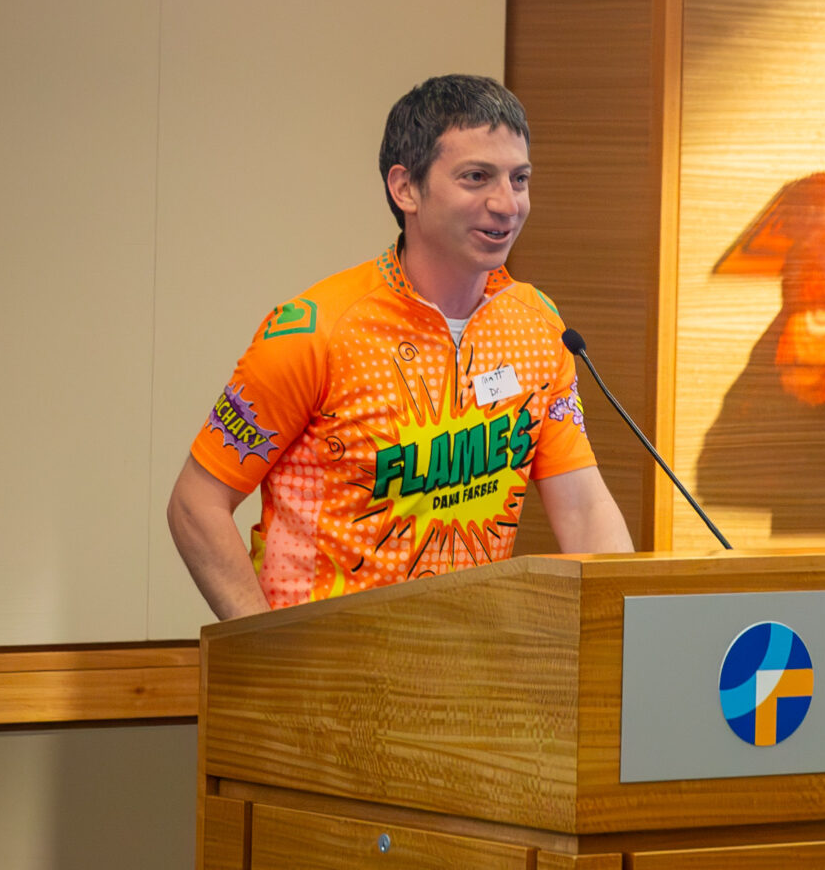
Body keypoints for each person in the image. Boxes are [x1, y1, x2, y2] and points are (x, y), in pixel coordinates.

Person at [168, 75, 632, 620]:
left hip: (475, 655)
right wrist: (260, 646)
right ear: (405, 188)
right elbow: (196, 504)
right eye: (476, 177)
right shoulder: (316, 331)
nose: (507, 204)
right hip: (321, 658)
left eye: (520, 179)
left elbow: (584, 507)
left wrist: (625, 633)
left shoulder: (539, 326)